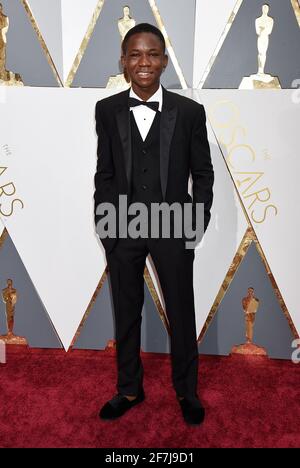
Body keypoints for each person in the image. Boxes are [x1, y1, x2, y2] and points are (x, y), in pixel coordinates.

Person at [94, 23, 214, 425]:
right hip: (122, 225)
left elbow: (204, 173)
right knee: (126, 311)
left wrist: (195, 222)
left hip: (173, 224)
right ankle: (129, 388)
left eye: (152, 54)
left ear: (164, 61)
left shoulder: (190, 112)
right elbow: (105, 171)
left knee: (181, 311)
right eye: (135, 54)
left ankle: (187, 390)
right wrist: (105, 223)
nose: (144, 62)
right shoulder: (107, 110)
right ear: (124, 62)